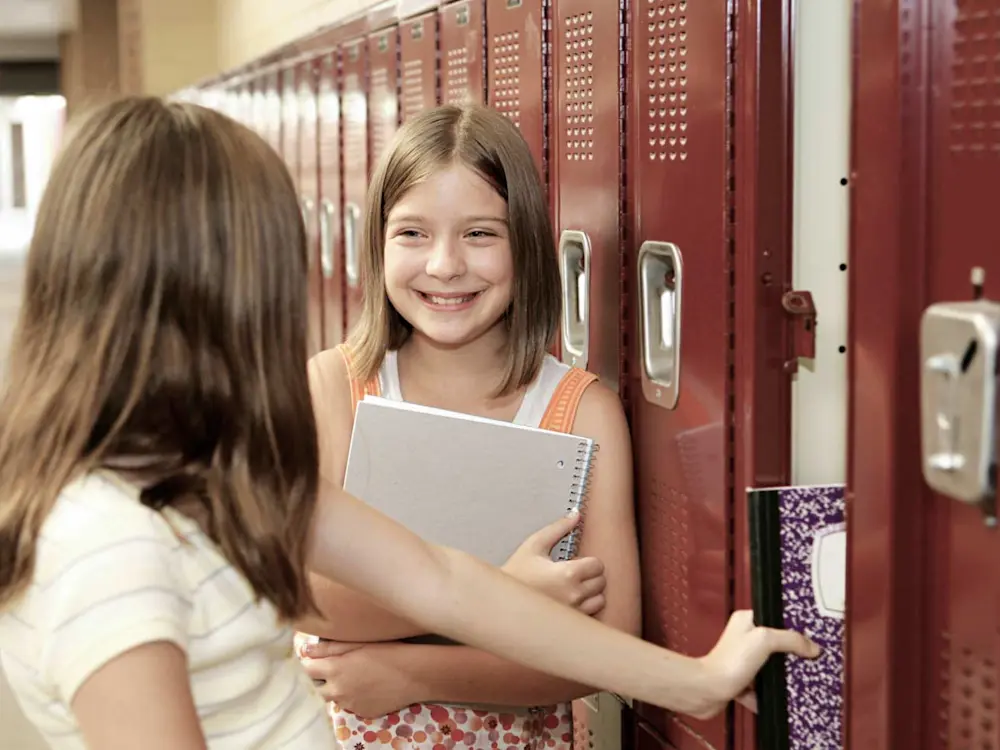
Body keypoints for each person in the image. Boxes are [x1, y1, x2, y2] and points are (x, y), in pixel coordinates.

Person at [0, 97, 818, 750]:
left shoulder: (212, 461)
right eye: (273, 263)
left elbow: (440, 580)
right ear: (206, 290)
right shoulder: (103, 547)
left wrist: (698, 680)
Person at [296, 103, 642, 749]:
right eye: (413, 234)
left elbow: (609, 646)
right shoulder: (337, 387)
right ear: (375, 242)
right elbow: (303, 599)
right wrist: (509, 595)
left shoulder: (581, 411)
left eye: (481, 234)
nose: (446, 265)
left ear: (528, 247)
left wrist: (409, 669)